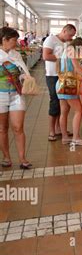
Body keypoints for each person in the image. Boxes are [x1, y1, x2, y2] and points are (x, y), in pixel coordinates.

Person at [0, 27, 33, 169]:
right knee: (2, 128)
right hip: (0, 96)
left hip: (16, 94)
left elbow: (20, 72)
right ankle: (6, 157)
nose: (16, 42)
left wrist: (23, 77)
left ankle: (22, 158)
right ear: (4, 40)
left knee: (18, 127)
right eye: (14, 40)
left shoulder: (16, 55)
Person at [42, 24, 76, 142]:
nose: (71, 37)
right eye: (70, 35)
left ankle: (59, 129)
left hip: (64, 76)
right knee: (55, 102)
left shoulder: (65, 43)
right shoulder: (51, 39)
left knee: (64, 104)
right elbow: (46, 56)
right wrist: (62, 57)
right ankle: (52, 131)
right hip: (53, 76)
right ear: (64, 31)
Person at [56, 39, 82, 146]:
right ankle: (75, 138)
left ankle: (65, 137)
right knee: (79, 110)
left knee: (64, 111)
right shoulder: (72, 51)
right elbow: (77, 68)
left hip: (61, 82)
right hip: (68, 84)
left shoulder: (65, 51)